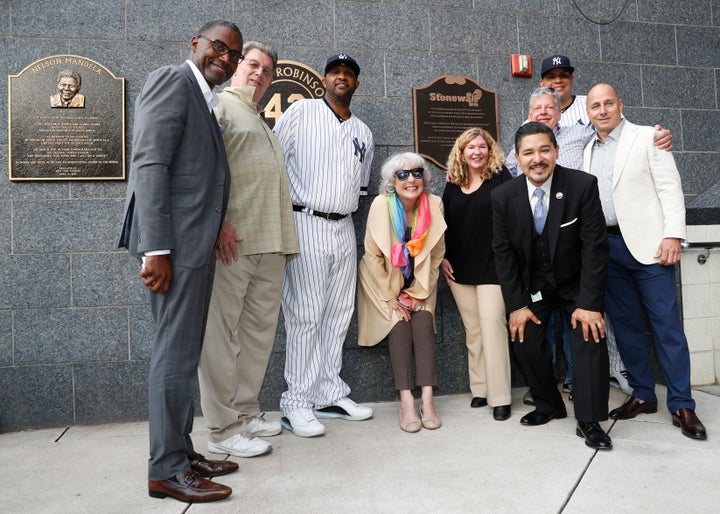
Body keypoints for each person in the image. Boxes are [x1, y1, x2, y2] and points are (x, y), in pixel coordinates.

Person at [119, 20, 244, 503]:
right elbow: (150, 164)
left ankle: (180, 450)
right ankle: (165, 470)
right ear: (195, 44)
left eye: (233, 54)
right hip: (174, 249)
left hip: (193, 246)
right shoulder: (173, 80)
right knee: (174, 357)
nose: (226, 59)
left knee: (184, 354)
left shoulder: (204, 98)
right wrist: (156, 250)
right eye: (219, 47)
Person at [583, 83, 707, 441]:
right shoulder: (590, 148)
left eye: (608, 103)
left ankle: (683, 404)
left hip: (652, 249)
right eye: (595, 106)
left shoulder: (648, 137)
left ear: (621, 105)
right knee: (626, 326)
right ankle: (642, 393)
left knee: (667, 326)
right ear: (588, 112)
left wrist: (673, 235)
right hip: (609, 249)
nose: (602, 110)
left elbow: (670, 188)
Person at [197, 41, 299, 459]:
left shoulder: (259, 119)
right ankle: (222, 429)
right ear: (238, 66)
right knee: (221, 338)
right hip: (233, 244)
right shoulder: (219, 107)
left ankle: (245, 412)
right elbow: (199, 169)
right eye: (252, 64)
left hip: (270, 243)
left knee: (257, 336)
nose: (259, 73)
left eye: (266, 69)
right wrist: (216, 223)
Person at [492, 121, 612, 450]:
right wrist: (517, 306)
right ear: (517, 158)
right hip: (535, 286)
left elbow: (595, 248)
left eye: (544, 150)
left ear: (556, 152)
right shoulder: (503, 197)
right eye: (528, 152)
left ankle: (589, 419)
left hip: (576, 285)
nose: (538, 158)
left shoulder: (582, 186)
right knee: (523, 337)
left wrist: (590, 304)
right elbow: (503, 256)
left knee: (590, 333)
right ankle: (549, 405)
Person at [273, 53, 375, 437]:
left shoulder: (363, 131)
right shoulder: (301, 113)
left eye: (349, 73)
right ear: (325, 79)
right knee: (306, 313)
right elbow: (274, 163)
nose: (342, 77)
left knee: (338, 313)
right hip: (306, 220)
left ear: (357, 84)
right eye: (336, 72)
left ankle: (328, 392)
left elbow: (360, 188)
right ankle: (296, 401)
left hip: (344, 224)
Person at [358, 152, 446, 432]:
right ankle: (407, 401)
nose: (411, 179)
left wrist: (419, 294)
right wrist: (390, 296)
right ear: (392, 181)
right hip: (381, 281)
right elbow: (372, 256)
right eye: (403, 174)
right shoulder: (381, 205)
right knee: (398, 324)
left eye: (417, 173)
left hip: (420, 282)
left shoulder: (434, 204)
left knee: (422, 324)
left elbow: (437, 254)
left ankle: (428, 400)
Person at [440, 128, 513, 420]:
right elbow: (443, 223)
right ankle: (480, 389)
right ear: (461, 152)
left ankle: (501, 397)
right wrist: (442, 257)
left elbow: (514, 216)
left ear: (490, 150)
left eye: (482, 146)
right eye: (470, 147)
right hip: (459, 267)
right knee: (473, 330)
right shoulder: (453, 182)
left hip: (493, 265)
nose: (477, 152)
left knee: (493, 325)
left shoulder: (501, 178)